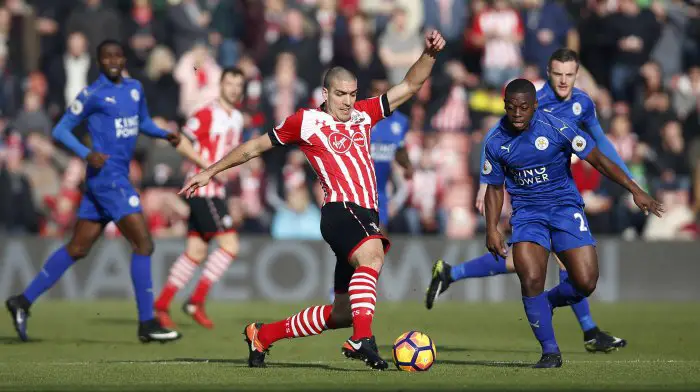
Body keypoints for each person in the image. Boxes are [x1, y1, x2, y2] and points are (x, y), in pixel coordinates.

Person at [181, 30, 446, 370]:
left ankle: (262, 334)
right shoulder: (306, 122)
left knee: (341, 314)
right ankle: (363, 339)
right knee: (373, 255)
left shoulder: (365, 114)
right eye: (340, 95)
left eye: (352, 94)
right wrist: (211, 171)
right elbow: (253, 147)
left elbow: (409, 86)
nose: (348, 102)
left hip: (364, 215)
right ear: (325, 93)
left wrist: (430, 54)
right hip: (341, 210)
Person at [426, 49, 630, 353]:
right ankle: (588, 331)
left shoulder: (582, 103)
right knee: (544, 261)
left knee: (522, 261)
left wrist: (628, 179)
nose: (563, 80)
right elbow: (496, 141)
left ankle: (451, 273)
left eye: (570, 75)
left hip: (560, 186)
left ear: (577, 75)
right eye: (558, 74)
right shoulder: (533, 101)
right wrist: (485, 187)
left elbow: (598, 141)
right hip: (530, 192)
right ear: (548, 73)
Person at [5, 40, 205, 343]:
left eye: (116, 55)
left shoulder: (135, 88)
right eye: (106, 57)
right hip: (106, 177)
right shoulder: (92, 94)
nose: (112, 60)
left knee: (78, 248)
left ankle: (22, 301)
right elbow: (60, 130)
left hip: (112, 178)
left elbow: (143, 123)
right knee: (144, 244)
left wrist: (165, 133)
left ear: (123, 58)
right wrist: (86, 154)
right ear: (99, 62)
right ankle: (147, 323)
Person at [480, 78, 663, 368]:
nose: (517, 113)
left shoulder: (557, 127)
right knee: (530, 278)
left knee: (586, 282)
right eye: (511, 107)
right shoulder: (495, 141)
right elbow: (494, 188)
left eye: (524, 108)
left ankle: (549, 302)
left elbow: (598, 160)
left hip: (564, 208)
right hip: (528, 214)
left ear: (535, 106)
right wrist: (492, 228)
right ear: (504, 105)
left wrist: (635, 189)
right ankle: (550, 352)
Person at [154, 67, 246, 330]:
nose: (234, 89)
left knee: (195, 251)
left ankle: (162, 304)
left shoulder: (237, 118)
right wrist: (207, 166)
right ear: (221, 85)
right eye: (230, 83)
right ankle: (196, 301)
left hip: (216, 191)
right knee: (230, 246)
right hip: (203, 189)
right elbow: (180, 141)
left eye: (239, 85)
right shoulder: (207, 113)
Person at [370, 108, 413, 230]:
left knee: (379, 233)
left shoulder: (401, 121)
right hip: (358, 189)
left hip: (381, 193)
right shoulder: (359, 119)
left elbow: (400, 150)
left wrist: (407, 165)